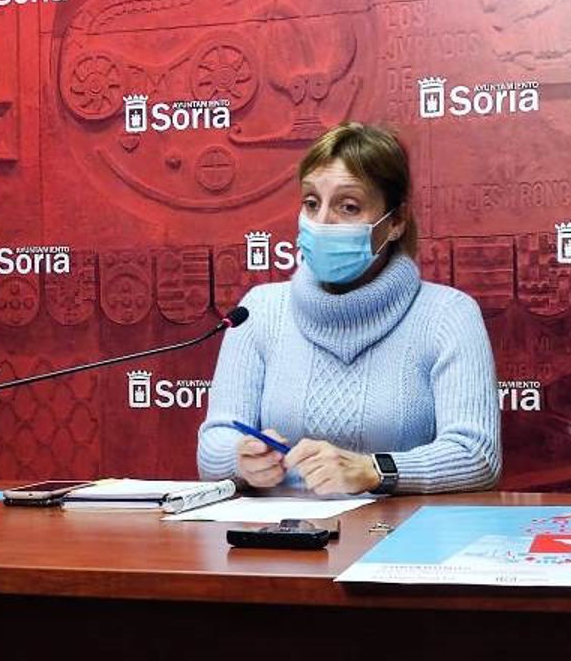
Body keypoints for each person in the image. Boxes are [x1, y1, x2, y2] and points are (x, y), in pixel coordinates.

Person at [197, 122, 500, 495]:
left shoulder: (447, 315)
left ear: (396, 222)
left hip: (397, 530)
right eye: (311, 203)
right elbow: (214, 443)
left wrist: (374, 470)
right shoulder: (259, 311)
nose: (322, 221)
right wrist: (240, 458)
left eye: (349, 206)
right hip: (280, 530)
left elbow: (477, 455)